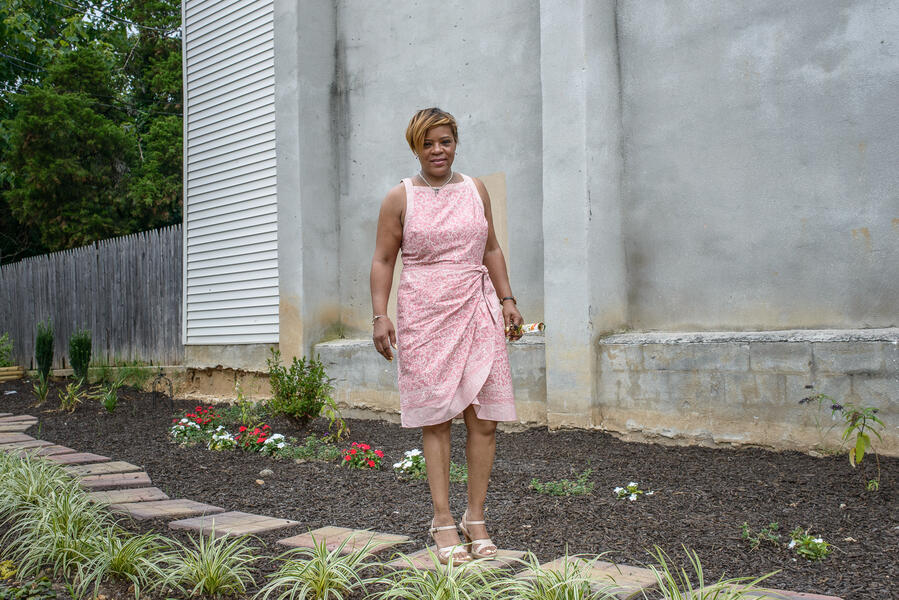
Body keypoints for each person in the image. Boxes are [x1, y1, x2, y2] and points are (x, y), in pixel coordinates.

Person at [370, 107, 523, 564]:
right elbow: (382, 260)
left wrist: (507, 299)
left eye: (446, 142)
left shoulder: (476, 189)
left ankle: (475, 519)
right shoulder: (400, 198)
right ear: (415, 146)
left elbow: (490, 246)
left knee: (485, 420)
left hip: (476, 308)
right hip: (425, 313)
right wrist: (380, 315)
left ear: (456, 143)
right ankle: (442, 519)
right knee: (436, 419)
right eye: (428, 143)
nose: (438, 151)